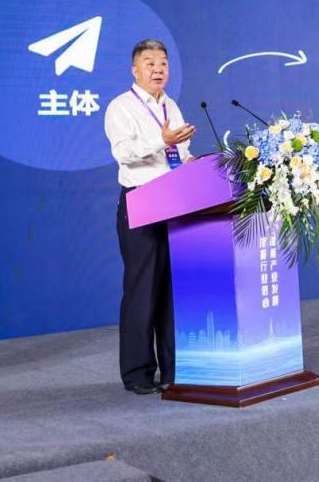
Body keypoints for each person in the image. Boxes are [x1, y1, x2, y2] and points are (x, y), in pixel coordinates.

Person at [103, 39, 195, 394]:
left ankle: (174, 369)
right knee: (142, 288)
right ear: (135, 69)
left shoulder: (171, 105)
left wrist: (193, 161)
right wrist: (162, 139)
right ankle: (138, 374)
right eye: (150, 63)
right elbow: (124, 153)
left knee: (172, 290)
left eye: (163, 63)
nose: (158, 69)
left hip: (174, 202)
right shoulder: (120, 107)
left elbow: (179, 154)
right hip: (140, 202)